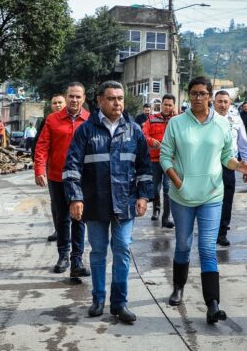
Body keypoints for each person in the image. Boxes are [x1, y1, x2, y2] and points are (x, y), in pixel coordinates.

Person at [161, 77, 247, 324]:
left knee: (207, 248)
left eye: (202, 93)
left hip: (212, 196)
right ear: (188, 96)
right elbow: (165, 157)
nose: (197, 97)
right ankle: (178, 287)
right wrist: (179, 183)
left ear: (209, 96)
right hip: (182, 197)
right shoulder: (176, 123)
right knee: (183, 245)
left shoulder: (222, 124)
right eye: (193, 93)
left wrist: (240, 166)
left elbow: (227, 156)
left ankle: (212, 304)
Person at [63, 80, 153, 324]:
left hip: (125, 202)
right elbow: (71, 166)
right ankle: (98, 299)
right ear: (100, 101)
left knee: (122, 248)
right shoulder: (86, 130)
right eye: (112, 98)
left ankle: (119, 303)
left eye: (120, 98)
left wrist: (144, 196)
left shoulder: (133, 130)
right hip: (95, 201)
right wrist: (76, 197)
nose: (117, 103)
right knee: (99, 251)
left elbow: (145, 167)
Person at [34, 83, 90, 276]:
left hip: (81, 179)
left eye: (78, 97)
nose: (74, 100)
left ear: (84, 98)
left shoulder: (90, 121)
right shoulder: (53, 120)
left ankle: (77, 260)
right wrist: (39, 169)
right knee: (62, 218)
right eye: (71, 96)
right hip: (57, 177)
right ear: (66, 98)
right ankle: (63, 255)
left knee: (79, 218)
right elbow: (42, 146)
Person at [212, 90, 247, 246]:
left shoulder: (235, 119)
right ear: (213, 102)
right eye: (219, 101)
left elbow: (243, 143)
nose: (222, 104)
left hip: (230, 164)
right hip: (209, 164)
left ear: (229, 104)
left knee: (227, 200)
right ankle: (209, 230)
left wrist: (246, 164)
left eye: (225, 102)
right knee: (208, 199)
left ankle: (222, 232)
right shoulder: (206, 119)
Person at [32, 93, 66, 242]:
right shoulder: (48, 121)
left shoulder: (80, 119)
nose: (57, 105)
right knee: (56, 202)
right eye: (54, 103)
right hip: (53, 169)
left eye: (60, 102)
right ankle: (59, 230)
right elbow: (39, 144)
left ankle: (71, 230)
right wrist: (39, 166)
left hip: (75, 170)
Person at [142, 94, 176, 228]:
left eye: (170, 105)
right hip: (154, 160)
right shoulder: (151, 119)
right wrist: (150, 141)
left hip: (170, 160)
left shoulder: (178, 120)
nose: (167, 107)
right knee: (155, 188)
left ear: (173, 106)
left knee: (168, 190)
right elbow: (143, 134)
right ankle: (156, 208)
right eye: (165, 104)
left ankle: (166, 218)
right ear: (161, 104)